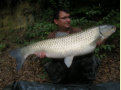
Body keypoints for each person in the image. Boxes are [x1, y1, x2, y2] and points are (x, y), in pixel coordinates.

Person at [35, 9, 104, 84]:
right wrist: (43, 54)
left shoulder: (78, 31)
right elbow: (54, 57)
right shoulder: (51, 36)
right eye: (64, 18)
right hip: (63, 66)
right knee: (51, 65)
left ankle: (86, 82)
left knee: (91, 59)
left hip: (78, 64)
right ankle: (63, 83)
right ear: (56, 21)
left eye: (69, 17)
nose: (68, 20)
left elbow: (87, 50)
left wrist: (97, 44)